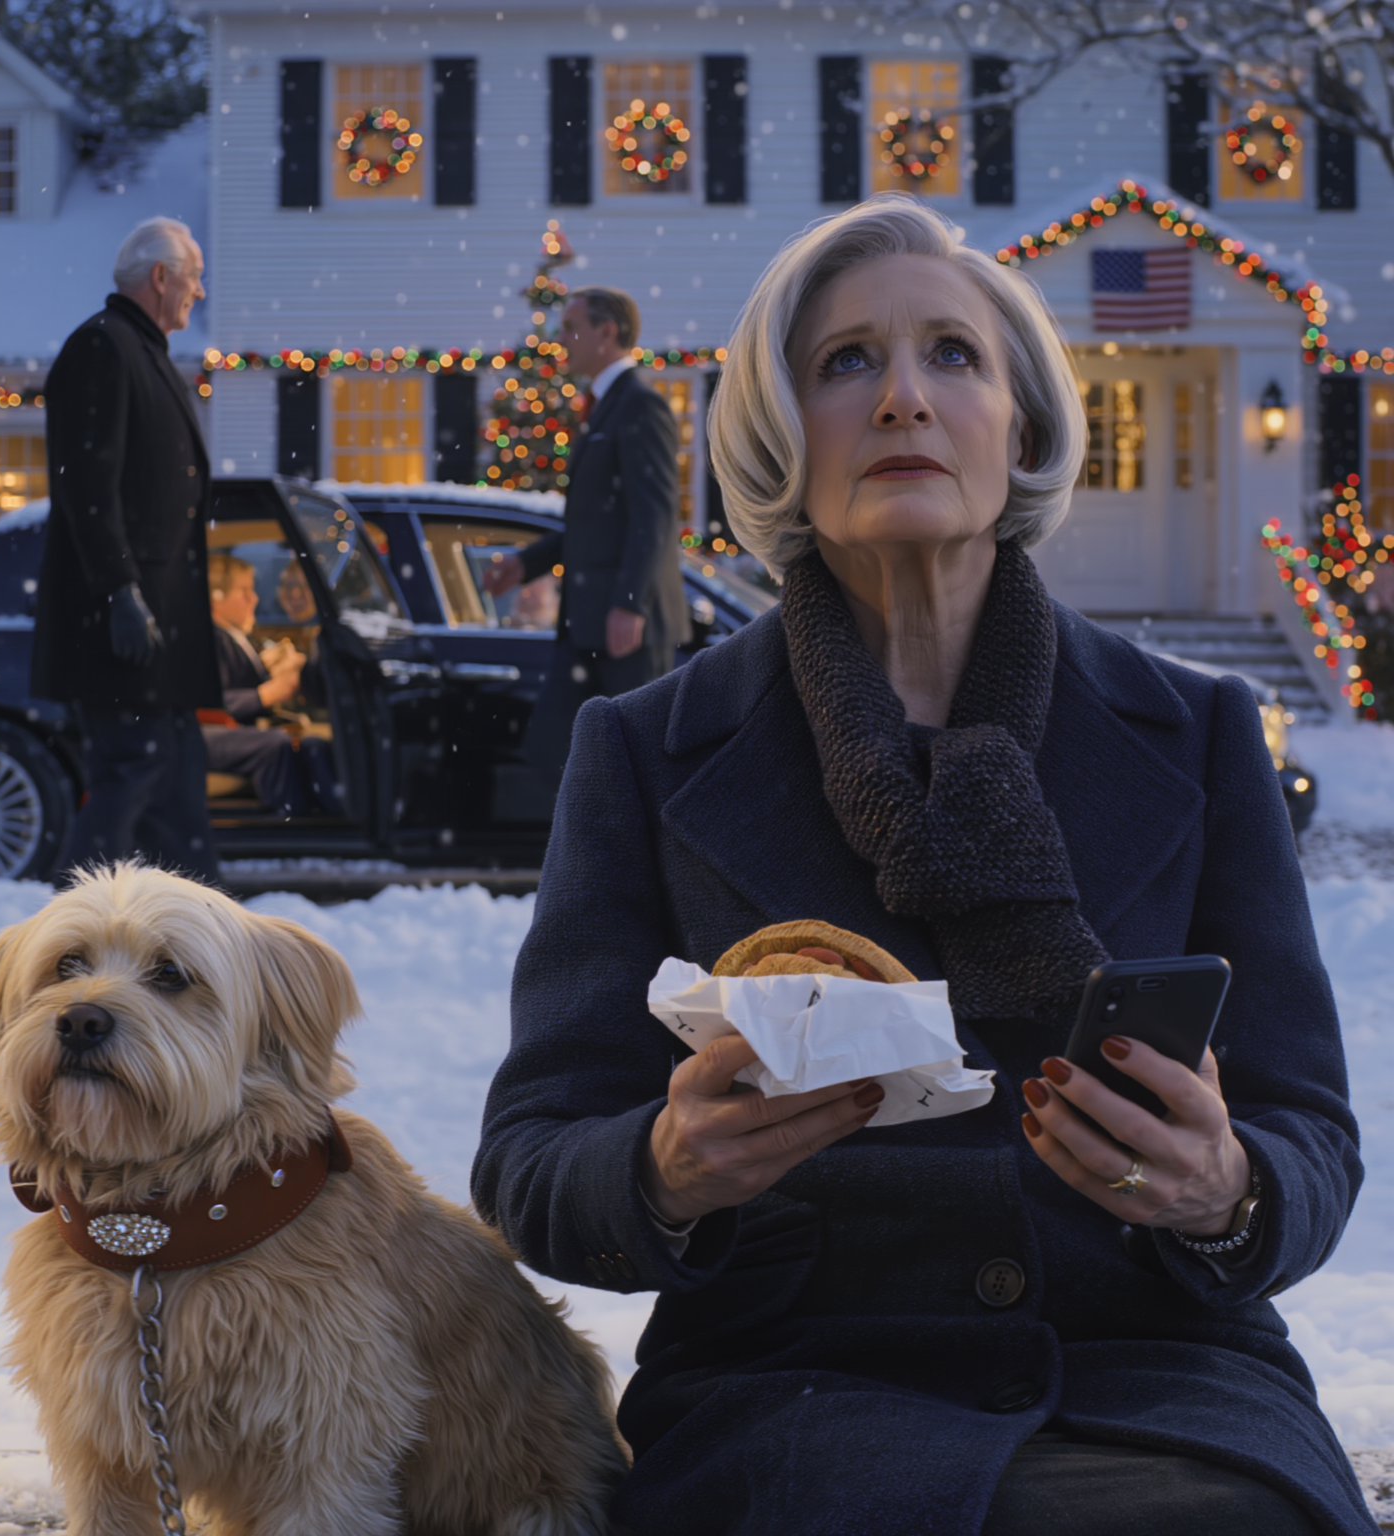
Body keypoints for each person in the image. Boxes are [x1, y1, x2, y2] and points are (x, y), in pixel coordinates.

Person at [472, 196, 1374, 1536]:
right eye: (847, 362)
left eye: (953, 355)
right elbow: (532, 1163)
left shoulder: (1195, 735)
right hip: (790, 1400)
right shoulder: (646, 750)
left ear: (1021, 427)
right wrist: (665, 1166)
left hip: (1163, 1387)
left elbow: (1311, 1137)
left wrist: (1230, 1194)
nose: (903, 397)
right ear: (782, 434)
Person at [30, 216, 220, 884]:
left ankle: (196, 911)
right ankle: (72, 921)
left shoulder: (140, 351)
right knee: (134, 763)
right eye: (193, 278)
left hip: (155, 625)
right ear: (160, 277)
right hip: (119, 625)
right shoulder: (103, 350)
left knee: (171, 771)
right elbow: (87, 483)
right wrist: (120, 591)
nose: (199, 292)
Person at [483, 287, 690, 779]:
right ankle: (584, 854)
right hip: (586, 624)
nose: (561, 340)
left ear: (607, 332)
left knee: (634, 766)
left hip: (625, 630)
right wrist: (525, 564)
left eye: (572, 328)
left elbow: (655, 514)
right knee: (555, 753)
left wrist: (630, 603)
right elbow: (594, 524)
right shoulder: (602, 407)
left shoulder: (639, 405)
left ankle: (632, 858)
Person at [203, 552, 340, 818]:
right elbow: (212, 699)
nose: (253, 599)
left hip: (234, 729)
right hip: (208, 732)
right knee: (278, 744)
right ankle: (286, 821)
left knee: (312, 743)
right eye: (243, 591)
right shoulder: (211, 638)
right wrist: (267, 693)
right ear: (215, 598)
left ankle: (331, 816)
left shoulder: (234, 638)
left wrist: (271, 669)